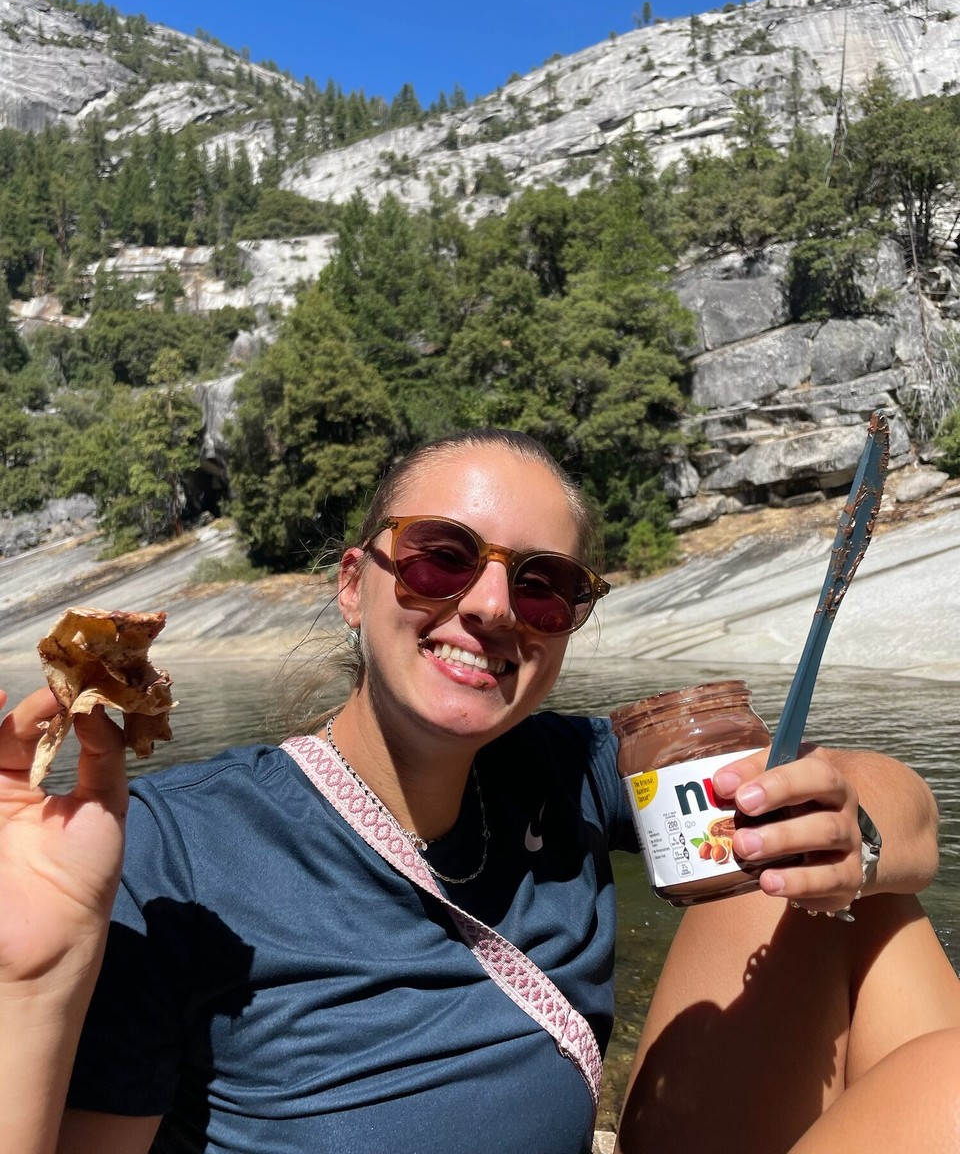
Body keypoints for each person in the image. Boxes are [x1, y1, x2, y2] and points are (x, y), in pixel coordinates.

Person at [1, 427, 958, 1154]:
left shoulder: (564, 770)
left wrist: (852, 834)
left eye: (543, 585)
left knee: (825, 892)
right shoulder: (169, 851)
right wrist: (30, 984)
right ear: (353, 585)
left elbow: (900, 804)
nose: (493, 607)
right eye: (439, 558)